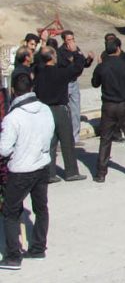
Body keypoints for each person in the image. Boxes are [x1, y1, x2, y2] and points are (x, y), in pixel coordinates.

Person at [0, 73, 55, 270]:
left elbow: (4, 149)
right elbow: (50, 135)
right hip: (42, 165)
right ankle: (38, 248)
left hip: (21, 170)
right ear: (31, 88)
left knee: (10, 212)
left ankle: (13, 256)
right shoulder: (45, 109)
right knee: (41, 208)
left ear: (14, 91)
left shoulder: (13, 118)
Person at [91, 38, 125, 183]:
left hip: (108, 105)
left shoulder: (102, 66)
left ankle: (101, 173)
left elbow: (95, 83)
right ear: (118, 49)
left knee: (105, 139)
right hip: (124, 104)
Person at [34, 46, 87, 183]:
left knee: (50, 143)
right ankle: (71, 172)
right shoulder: (60, 72)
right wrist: (77, 53)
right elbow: (77, 68)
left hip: (45, 110)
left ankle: (50, 173)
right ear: (52, 57)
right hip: (60, 109)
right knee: (67, 141)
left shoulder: (39, 74)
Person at [57, 30, 94, 145]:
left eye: (72, 39)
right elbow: (67, 66)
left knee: (75, 110)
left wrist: (89, 59)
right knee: (64, 110)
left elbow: (82, 63)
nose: (71, 42)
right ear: (64, 41)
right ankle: (62, 138)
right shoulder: (61, 52)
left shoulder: (76, 49)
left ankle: (75, 137)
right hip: (65, 83)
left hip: (74, 82)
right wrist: (75, 58)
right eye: (69, 40)